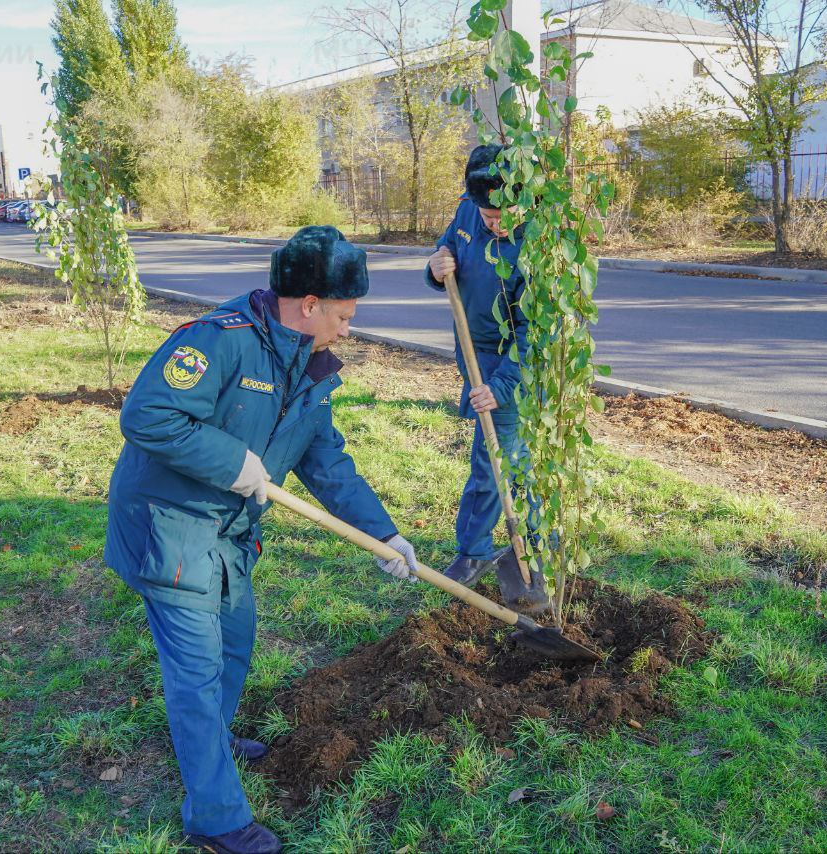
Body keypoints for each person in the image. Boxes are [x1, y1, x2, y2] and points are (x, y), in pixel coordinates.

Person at [106, 225, 420, 854]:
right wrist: (233, 461)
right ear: (308, 305)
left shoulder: (306, 365)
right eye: (342, 315)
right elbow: (146, 415)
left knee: (235, 647)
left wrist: (384, 534)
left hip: (230, 534)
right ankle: (215, 819)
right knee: (195, 674)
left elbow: (326, 460)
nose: (348, 330)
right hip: (171, 528)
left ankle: (211, 744)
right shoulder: (218, 343)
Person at [424, 144, 536, 587]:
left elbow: (536, 333)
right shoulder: (468, 208)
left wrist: (503, 384)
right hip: (476, 353)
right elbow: (446, 251)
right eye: (488, 216)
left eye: (504, 214)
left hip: (520, 360)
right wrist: (435, 266)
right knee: (513, 454)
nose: (496, 223)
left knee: (493, 459)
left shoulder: (538, 243)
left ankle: (476, 552)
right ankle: (528, 540)